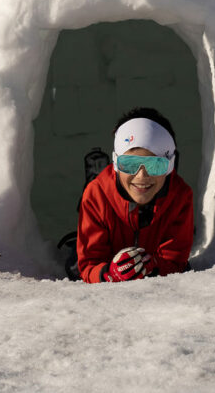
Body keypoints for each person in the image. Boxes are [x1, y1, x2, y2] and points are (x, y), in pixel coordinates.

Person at [77, 108, 194, 283]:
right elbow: (89, 264)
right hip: (110, 259)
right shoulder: (96, 195)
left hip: (151, 262)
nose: (141, 176)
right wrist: (108, 273)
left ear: (170, 166)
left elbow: (176, 261)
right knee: (72, 266)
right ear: (116, 163)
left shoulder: (180, 197)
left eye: (154, 165)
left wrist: (151, 265)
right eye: (130, 164)